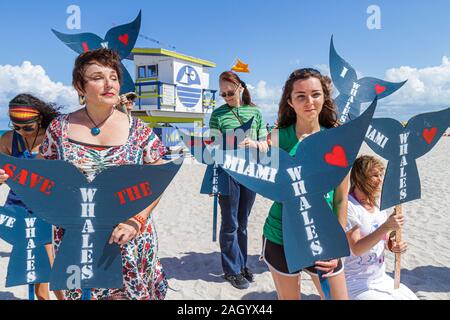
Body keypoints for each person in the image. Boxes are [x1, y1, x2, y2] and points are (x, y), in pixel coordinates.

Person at [1, 48, 167, 300]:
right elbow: (42, 175)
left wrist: (138, 219)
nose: (109, 82)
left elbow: (159, 177)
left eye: (113, 76)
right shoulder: (60, 128)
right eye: (98, 77)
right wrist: (9, 175)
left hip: (127, 235)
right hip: (75, 239)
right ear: (80, 86)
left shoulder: (139, 130)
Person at [263, 68, 349, 300]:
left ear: (324, 97)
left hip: (323, 235)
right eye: (300, 96)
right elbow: (270, 187)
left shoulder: (338, 138)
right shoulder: (278, 137)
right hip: (281, 234)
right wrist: (260, 154)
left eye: (315, 94)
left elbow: (341, 197)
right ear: (290, 102)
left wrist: (336, 244)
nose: (309, 101)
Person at [209, 71, 268, 289]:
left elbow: (265, 145)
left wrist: (253, 144)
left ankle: (242, 264)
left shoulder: (255, 111)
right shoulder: (217, 115)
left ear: (240, 87)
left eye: (230, 92)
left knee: (243, 223)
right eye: (223, 94)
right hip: (228, 173)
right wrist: (226, 143)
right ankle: (231, 270)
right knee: (230, 222)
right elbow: (212, 147)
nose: (227, 97)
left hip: (250, 171)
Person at [0, 93, 61, 300]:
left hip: (49, 207)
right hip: (18, 208)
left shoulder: (52, 138)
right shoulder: (9, 139)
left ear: (40, 120)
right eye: (16, 126)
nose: (21, 132)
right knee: (33, 263)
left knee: (47, 259)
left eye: (27, 127)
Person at [344, 155, 418, 300]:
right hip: (356, 282)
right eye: (375, 176)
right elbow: (357, 248)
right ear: (360, 178)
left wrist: (393, 246)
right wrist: (385, 227)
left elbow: (383, 239)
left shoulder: (376, 204)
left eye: (380, 175)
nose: (380, 180)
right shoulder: (349, 206)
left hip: (381, 278)